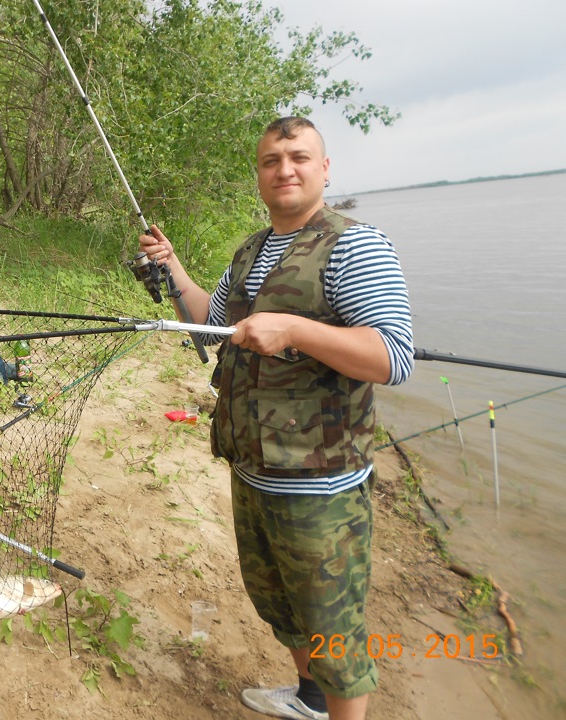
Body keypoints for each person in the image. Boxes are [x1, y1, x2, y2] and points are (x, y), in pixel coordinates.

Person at [138, 116, 414, 720]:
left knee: (335, 636)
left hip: (321, 489)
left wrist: (294, 329)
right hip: (253, 473)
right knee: (283, 607)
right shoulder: (251, 249)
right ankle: (309, 701)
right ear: (259, 175)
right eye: (271, 160)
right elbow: (209, 322)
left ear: (324, 168)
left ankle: (333, 701)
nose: (284, 169)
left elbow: (393, 356)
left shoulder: (356, 243)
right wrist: (172, 265)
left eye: (298, 157)